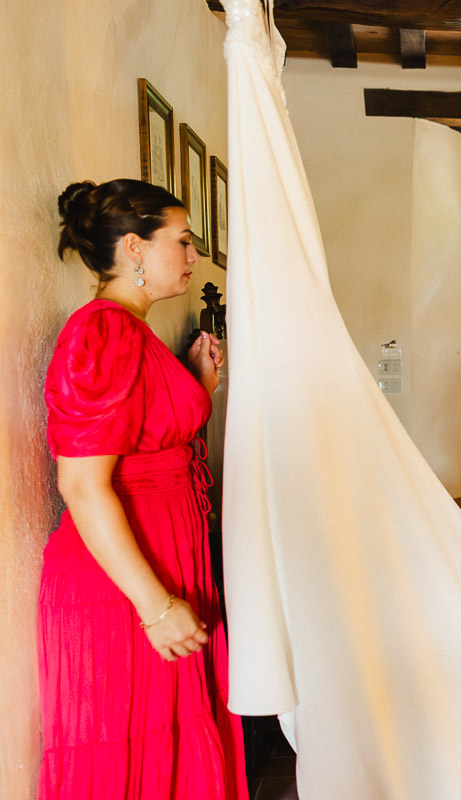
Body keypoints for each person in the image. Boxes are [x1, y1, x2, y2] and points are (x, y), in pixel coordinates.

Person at [39, 179, 247, 799]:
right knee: (134, 753)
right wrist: (154, 607)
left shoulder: (133, 331)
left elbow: (145, 432)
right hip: (124, 580)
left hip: (163, 554)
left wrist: (197, 386)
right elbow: (80, 484)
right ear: (134, 247)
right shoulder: (99, 332)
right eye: (181, 242)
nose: (191, 256)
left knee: (174, 747)